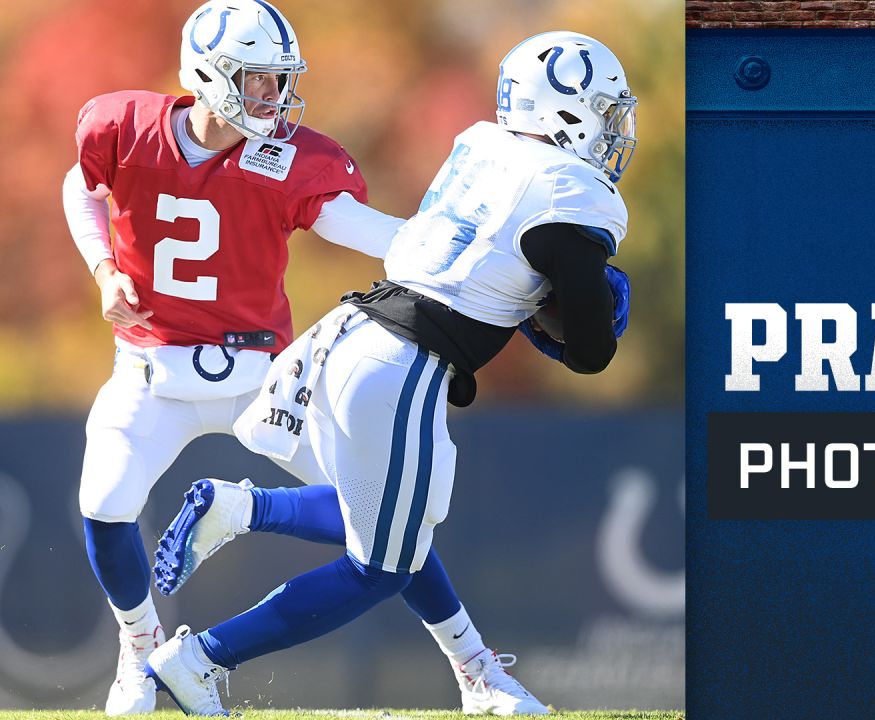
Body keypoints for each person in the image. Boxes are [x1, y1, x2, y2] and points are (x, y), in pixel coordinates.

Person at [64, 1, 541, 715]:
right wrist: (104, 269)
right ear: (207, 75)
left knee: (387, 521)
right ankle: (139, 651)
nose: (274, 97)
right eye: (257, 80)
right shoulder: (124, 127)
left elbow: (368, 230)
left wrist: (468, 254)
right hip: (151, 368)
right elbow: (83, 184)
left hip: (259, 376)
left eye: (279, 80)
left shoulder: (285, 158)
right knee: (103, 503)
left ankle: (475, 668)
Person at [142, 29, 636, 716]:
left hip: (352, 337)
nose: (615, 130)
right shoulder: (573, 194)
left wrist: (531, 298)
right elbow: (590, 351)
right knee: (382, 566)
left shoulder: (482, 144)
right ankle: (198, 659)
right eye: (606, 112)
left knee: (396, 524)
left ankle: (477, 678)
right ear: (568, 113)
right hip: (401, 365)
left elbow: (491, 262)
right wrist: (578, 307)